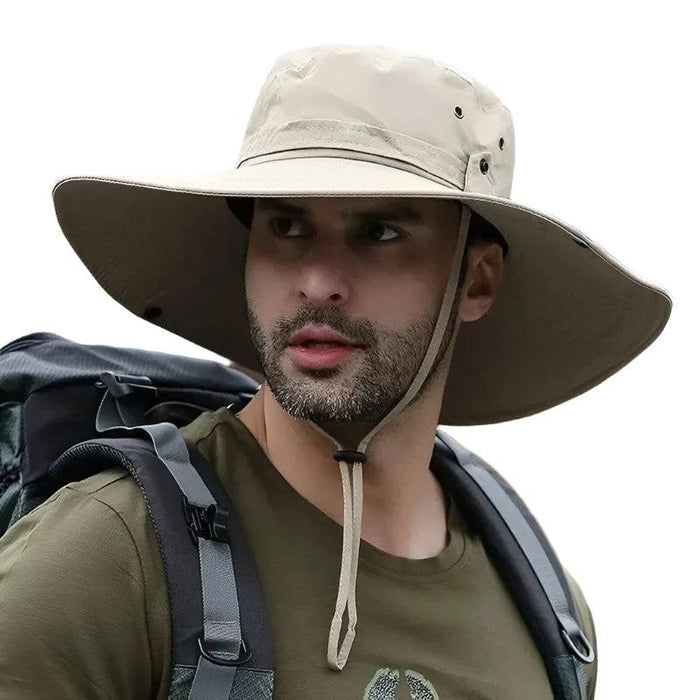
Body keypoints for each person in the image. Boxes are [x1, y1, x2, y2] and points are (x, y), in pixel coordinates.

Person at [0, 43, 672, 699]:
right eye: (287, 227)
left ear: (477, 278)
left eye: (379, 232)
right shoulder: (109, 557)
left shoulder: (546, 615)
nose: (318, 281)